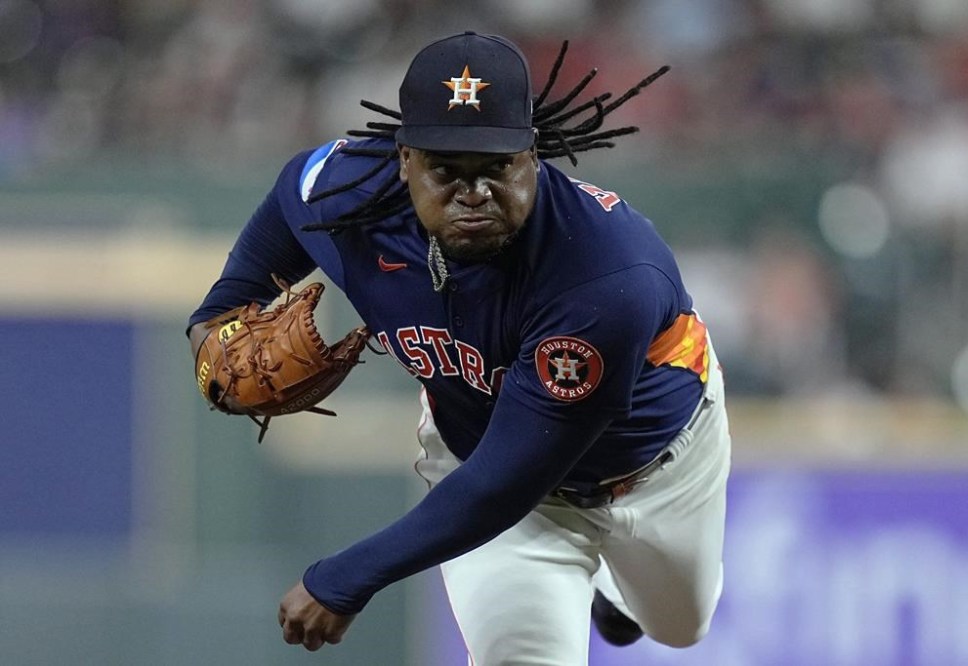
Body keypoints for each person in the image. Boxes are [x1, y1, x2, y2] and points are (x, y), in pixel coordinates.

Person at [188, 30, 732, 664]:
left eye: (496, 166)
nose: (473, 193)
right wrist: (210, 339)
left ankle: (616, 589)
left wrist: (347, 576)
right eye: (446, 169)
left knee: (678, 627)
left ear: (533, 156)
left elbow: (510, 479)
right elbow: (227, 299)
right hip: (488, 475)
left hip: (658, 467)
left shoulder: (605, 275)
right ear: (402, 160)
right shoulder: (341, 193)